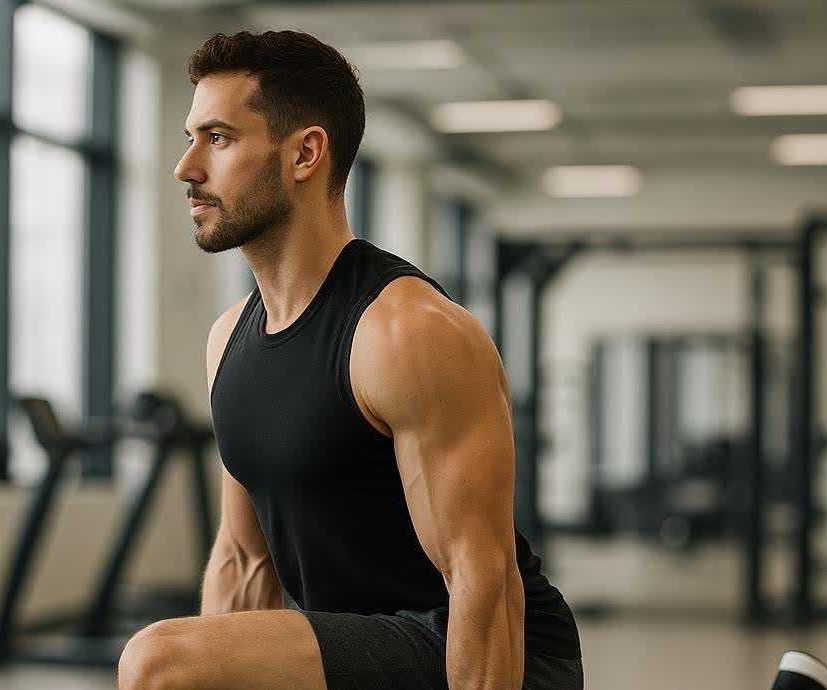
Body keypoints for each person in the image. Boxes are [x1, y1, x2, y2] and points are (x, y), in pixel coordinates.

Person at [116, 30, 583, 690]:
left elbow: (483, 582)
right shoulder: (230, 339)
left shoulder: (405, 331)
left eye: (218, 138)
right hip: (364, 642)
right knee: (186, 656)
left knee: (156, 659)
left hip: (486, 652)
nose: (186, 166)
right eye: (191, 137)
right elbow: (244, 559)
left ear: (305, 153)